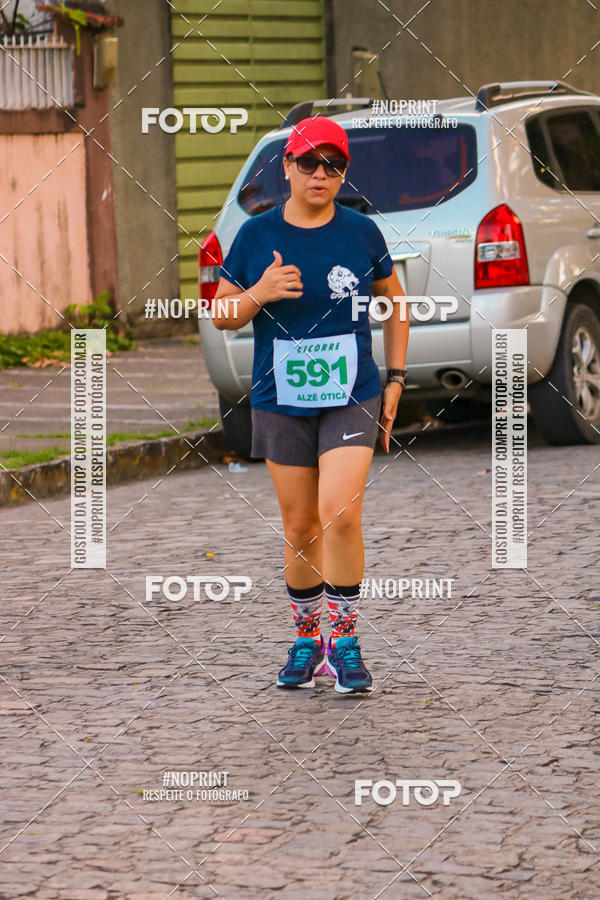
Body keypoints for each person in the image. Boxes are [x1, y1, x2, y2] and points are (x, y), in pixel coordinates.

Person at [212, 116, 409, 693]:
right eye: (309, 162)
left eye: (335, 164)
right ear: (288, 166)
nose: (321, 174)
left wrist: (395, 379)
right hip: (281, 397)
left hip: (353, 391)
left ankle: (344, 643)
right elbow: (222, 313)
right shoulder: (254, 236)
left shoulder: (361, 232)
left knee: (341, 514)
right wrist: (259, 293)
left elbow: (394, 303)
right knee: (300, 527)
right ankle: (307, 640)